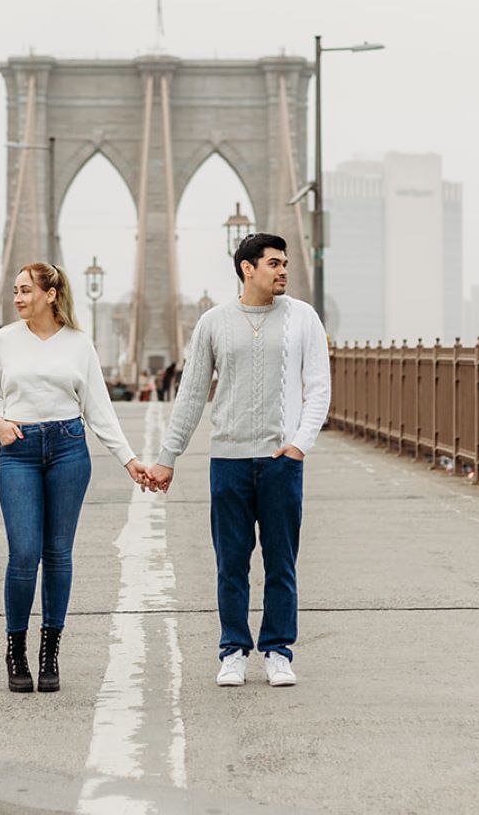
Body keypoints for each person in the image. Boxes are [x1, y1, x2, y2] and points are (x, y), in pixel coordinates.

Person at [145, 233, 330, 688]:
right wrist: (167, 457)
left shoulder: (303, 318)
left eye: (285, 263)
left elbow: (318, 387)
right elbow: (191, 394)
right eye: (274, 263)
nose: (283, 270)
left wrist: (300, 445)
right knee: (231, 562)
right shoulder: (213, 322)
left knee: (281, 561)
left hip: (280, 460)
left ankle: (278, 650)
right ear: (247, 268)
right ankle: (233, 650)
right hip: (227, 458)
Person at [0, 263, 154, 693]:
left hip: (68, 448)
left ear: (50, 294)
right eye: (15, 291)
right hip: (17, 450)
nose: (17, 298)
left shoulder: (78, 345)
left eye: (25, 290)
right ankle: (16, 649)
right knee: (24, 553)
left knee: (58, 554)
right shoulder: (4, 340)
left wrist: (130, 460)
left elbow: (99, 409)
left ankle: (49, 651)